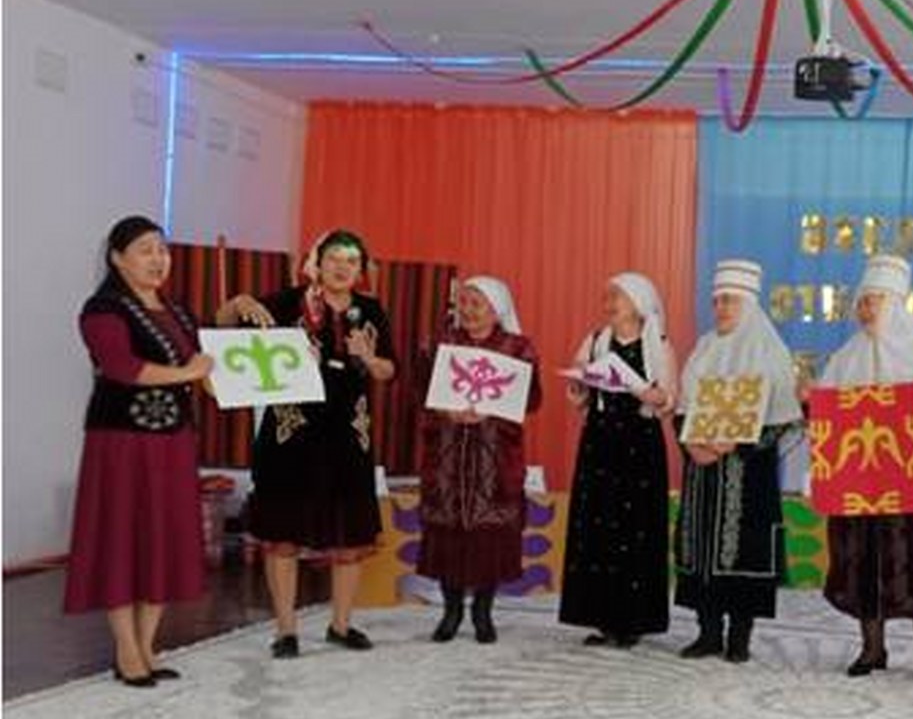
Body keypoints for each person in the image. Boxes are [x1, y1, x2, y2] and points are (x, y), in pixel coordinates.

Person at [218, 229, 396, 659]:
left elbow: (388, 370)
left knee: (349, 537)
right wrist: (238, 303)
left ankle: (341, 625)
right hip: (290, 433)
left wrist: (368, 357)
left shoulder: (370, 310)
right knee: (283, 534)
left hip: (348, 435)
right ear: (317, 262)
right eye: (334, 258)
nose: (342, 267)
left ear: (361, 270)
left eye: (351, 261)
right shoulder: (287, 302)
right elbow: (225, 327)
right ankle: (286, 630)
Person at [811, 254, 913, 685]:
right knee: (862, 559)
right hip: (860, 477)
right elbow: (826, 418)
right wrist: (810, 402)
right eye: (862, 301)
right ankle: (872, 648)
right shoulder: (845, 358)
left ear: (896, 305)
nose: (865, 310)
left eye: (874, 301)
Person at [65, 216, 213, 687]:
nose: (158, 259)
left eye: (162, 250)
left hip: (173, 440)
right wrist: (189, 373)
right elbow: (123, 368)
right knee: (122, 539)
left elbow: (204, 368)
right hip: (122, 442)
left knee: (162, 539)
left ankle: (148, 645)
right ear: (117, 258)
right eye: (146, 250)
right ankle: (126, 650)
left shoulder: (179, 312)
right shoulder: (103, 309)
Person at [673, 259, 800, 663]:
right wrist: (691, 444)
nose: (721, 308)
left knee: (744, 552)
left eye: (729, 300)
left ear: (748, 304)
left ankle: (740, 637)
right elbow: (683, 409)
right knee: (702, 551)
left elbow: (783, 421)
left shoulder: (769, 352)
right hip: (703, 471)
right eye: (717, 301)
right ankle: (708, 632)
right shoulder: (705, 348)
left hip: (748, 475)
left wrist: (737, 445)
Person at [417, 276, 541, 645]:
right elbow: (420, 389)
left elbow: (532, 399)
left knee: (490, 536)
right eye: (464, 302)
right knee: (448, 532)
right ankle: (451, 611)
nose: (468, 310)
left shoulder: (518, 349)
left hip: (496, 457)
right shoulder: (441, 343)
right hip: (448, 456)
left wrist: (493, 409)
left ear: (496, 310)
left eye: (477, 303)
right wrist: (446, 410)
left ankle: (483, 612)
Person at [558, 272, 676, 648]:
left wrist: (640, 389)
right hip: (600, 443)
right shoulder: (596, 340)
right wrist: (579, 385)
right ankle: (602, 618)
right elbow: (579, 395)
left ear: (639, 303)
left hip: (639, 446)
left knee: (635, 527)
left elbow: (668, 399)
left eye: (617, 297)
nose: (609, 304)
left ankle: (632, 621)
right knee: (598, 526)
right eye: (607, 297)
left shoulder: (658, 344)